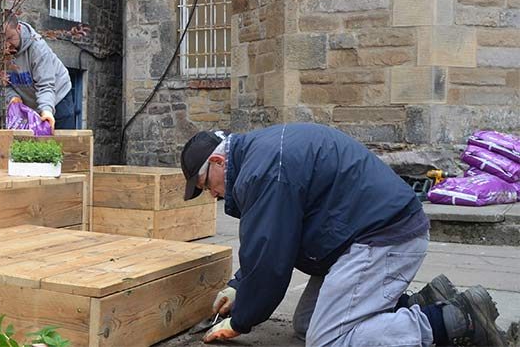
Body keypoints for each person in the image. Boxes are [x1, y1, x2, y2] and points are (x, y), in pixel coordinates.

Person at [181, 123, 506, 346]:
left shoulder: (263, 171)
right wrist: (240, 286)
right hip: (361, 237)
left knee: (328, 340)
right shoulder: (262, 156)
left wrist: (240, 322)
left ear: (218, 161)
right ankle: (420, 301)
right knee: (307, 324)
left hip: (383, 238)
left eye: (205, 185)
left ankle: (455, 318)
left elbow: (270, 262)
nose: (212, 195)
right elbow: (273, 239)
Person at [0, 9, 78, 130]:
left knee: (63, 145)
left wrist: (46, 111)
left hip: (57, 96)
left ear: (18, 28)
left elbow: (45, 86)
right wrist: (12, 97)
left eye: (9, 38)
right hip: (29, 103)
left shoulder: (38, 48)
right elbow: (1, 86)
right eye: (0, 42)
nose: (6, 46)